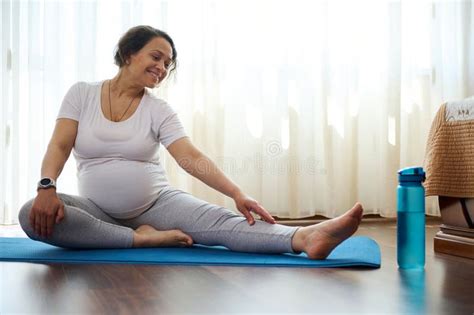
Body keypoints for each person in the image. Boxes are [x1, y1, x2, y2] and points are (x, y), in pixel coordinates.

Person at [18, 25, 363, 259]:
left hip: (155, 204)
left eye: (168, 63)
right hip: (98, 212)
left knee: (221, 224)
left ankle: (305, 238)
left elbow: (189, 157)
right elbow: (59, 146)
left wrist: (237, 194)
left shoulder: (158, 109)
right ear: (128, 54)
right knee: (31, 215)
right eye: (156, 57)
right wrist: (46, 187)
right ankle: (142, 238)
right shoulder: (82, 94)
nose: (162, 67)